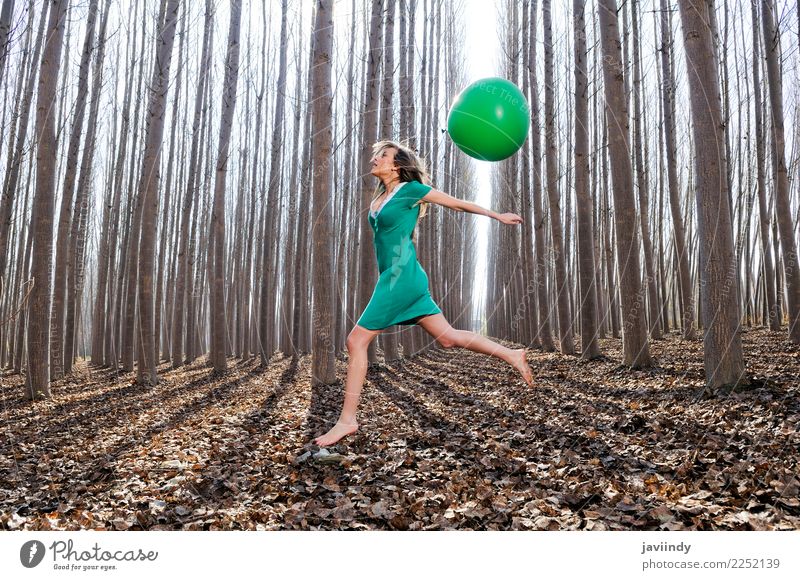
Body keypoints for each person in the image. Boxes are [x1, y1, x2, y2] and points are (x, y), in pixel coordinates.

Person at [314, 140, 533, 447]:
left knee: (355, 341)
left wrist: (496, 216)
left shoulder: (409, 191)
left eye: (383, 156)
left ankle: (346, 421)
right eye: (377, 155)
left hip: (400, 278)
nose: (375, 159)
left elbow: (455, 202)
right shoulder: (381, 197)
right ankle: (511, 354)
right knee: (448, 337)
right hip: (403, 277)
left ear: (398, 165)